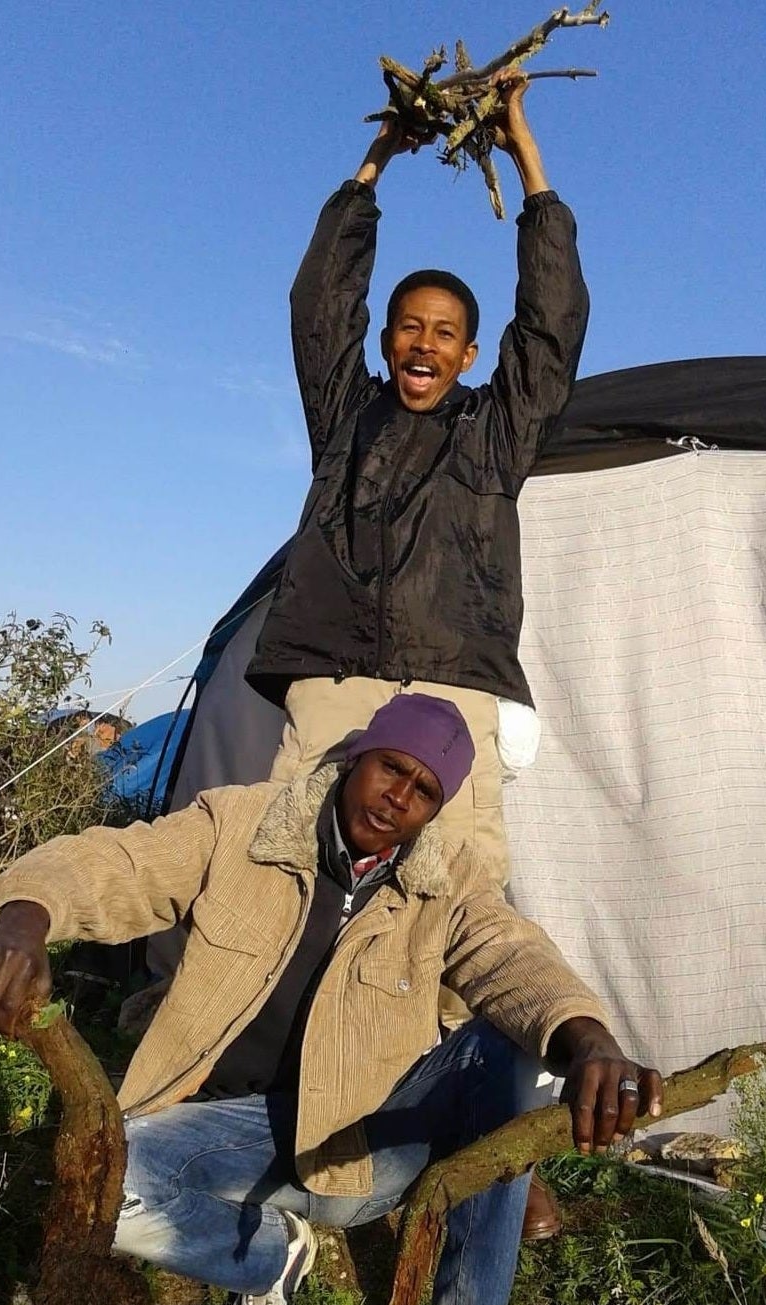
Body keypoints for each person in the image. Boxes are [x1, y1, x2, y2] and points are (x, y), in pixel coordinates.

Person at [0, 694, 661, 1305]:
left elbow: (511, 956)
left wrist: (588, 1041)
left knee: (503, 1050)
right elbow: (118, 864)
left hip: (359, 1140)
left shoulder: (447, 881)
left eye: (423, 792)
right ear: (359, 758)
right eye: (391, 769)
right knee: (112, 1180)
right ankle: (269, 1257)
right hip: (232, 1120)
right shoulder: (240, 825)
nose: (397, 799)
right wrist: (25, 917)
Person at [246, 72, 590, 888]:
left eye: (444, 333)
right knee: (280, 879)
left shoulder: (495, 433)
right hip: (333, 680)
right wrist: (376, 162)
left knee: (452, 897)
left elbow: (549, 329)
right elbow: (320, 305)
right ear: (388, 341)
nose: (424, 344)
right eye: (410, 328)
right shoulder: (345, 418)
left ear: (469, 355)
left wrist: (529, 161)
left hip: (453, 691)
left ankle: (443, 1020)